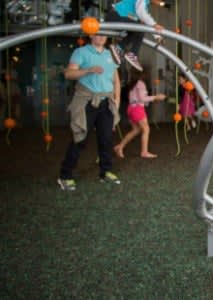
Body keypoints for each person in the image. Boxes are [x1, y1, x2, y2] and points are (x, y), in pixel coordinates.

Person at [57, 34, 121, 191]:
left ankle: (105, 172)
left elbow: (115, 79)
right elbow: (68, 74)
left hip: (106, 102)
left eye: (103, 34)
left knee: (106, 139)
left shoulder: (111, 53)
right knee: (80, 138)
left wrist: (116, 102)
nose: (100, 37)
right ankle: (65, 176)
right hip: (86, 101)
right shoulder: (81, 52)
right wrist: (88, 70)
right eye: (97, 34)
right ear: (91, 35)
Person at [113, 69, 166, 158]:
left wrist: (154, 99)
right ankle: (144, 152)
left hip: (131, 109)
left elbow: (138, 99)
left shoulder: (133, 84)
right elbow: (142, 98)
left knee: (136, 130)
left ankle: (120, 146)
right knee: (146, 129)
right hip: (137, 109)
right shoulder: (140, 83)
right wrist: (156, 97)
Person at [106, 0, 165, 71]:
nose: (159, 2)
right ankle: (132, 54)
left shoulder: (144, 5)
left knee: (137, 28)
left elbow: (143, 18)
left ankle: (119, 47)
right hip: (115, 16)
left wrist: (158, 36)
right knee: (140, 27)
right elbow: (141, 12)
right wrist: (154, 25)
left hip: (117, 17)